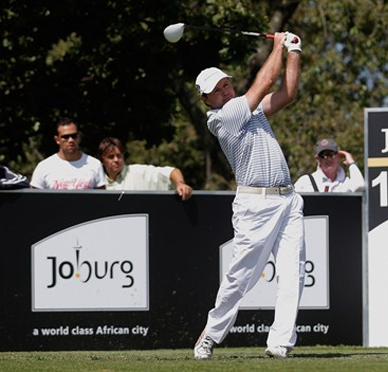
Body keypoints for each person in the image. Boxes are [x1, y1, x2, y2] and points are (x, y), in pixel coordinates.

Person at [192, 32, 305, 359]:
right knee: (241, 277)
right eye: (217, 90)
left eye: (226, 84)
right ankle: (210, 334)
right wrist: (278, 46)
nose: (225, 90)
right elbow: (268, 78)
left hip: (288, 200)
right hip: (256, 205)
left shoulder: (247, 110)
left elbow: (286, 93)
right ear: (207, 100)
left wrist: (294, 51)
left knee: (293, 273)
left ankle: (279, 343)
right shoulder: (224, 117)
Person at [97, 137, 193, 200]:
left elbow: (172, 171)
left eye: (119, 156)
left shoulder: (138, 172)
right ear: (102, 160)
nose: (116, 160)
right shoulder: (98, 184)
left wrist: (180, 184)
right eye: (111, 157)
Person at [30, 118, 106, 189]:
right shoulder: (44, 167)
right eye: (65, 137)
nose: (70, 140)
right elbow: (33, 199)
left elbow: (102, 199)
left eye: (74, 136)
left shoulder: (95, 164)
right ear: (57, 140)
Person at [294, 138, 365, 193]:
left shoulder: (347, 182)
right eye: (323, 155)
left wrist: (351, 164)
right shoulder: (305, 181)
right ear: (317, 159)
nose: (328, 158)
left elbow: (361, 188)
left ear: (339, 156)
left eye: (331, 154)